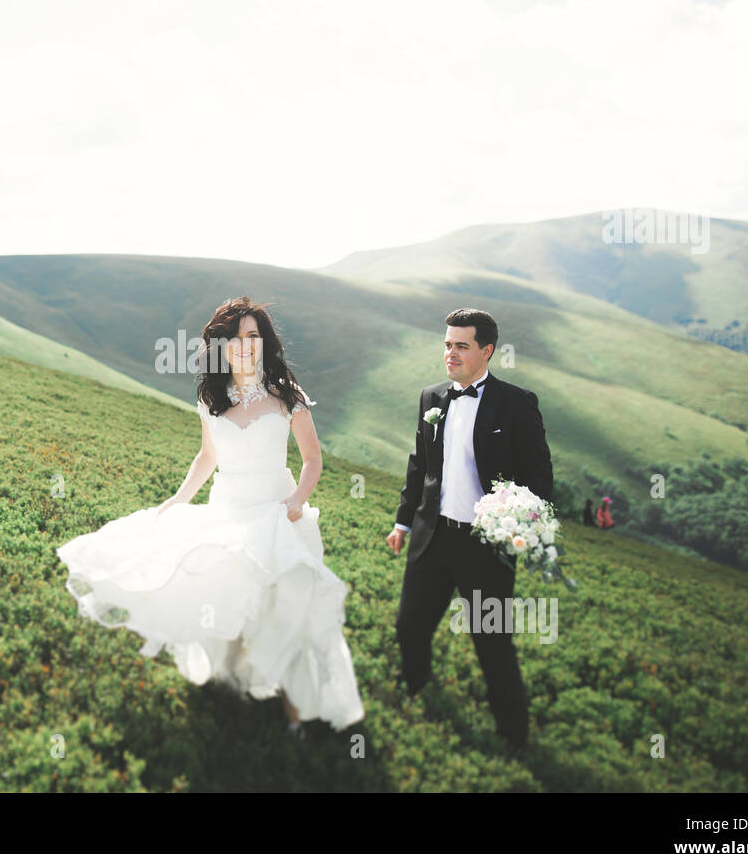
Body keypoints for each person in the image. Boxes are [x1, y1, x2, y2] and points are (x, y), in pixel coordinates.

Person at [57, 297, 365, 737]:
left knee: (287, 608)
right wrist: (179, 499)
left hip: (279, 512)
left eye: (254, 337)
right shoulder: (210, 397)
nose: (246, 346)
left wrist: (298, 498)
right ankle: (234, 685)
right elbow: (206, 457)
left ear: (264, 343)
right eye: (237, 338)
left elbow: (313, 459)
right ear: (221, 346)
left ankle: (299, 715)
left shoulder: (286, 395)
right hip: (229, 511)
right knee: (228, 599)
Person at [386, 308, 553, 754]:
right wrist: (404, 520)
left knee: (492, 644)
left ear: (487, 351)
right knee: (409, 628)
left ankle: (513, 736)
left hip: (485, 548)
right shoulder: (431, 398)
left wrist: (514, 518)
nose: (451, 353)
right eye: (447, 344)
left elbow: (539, 476)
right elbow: (420, 464)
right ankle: (418, 690)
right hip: (433, 537)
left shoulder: (517, 403)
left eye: (461, 345)